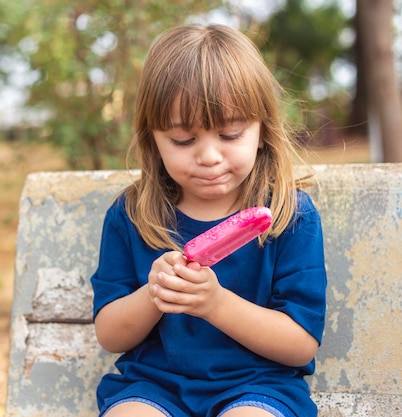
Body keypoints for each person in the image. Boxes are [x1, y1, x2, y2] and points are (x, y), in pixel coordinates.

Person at [90, 24, 327, 417]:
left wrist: (214, 303)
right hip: (153, 385)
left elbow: (300, 344)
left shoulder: (291, 215)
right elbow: (111, 335)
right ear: (152, 140)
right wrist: (155, 293)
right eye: (183, 141)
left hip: (259, 388)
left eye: (231, 134)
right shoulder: (131, 216)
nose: (209, 156)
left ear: (262, 131)